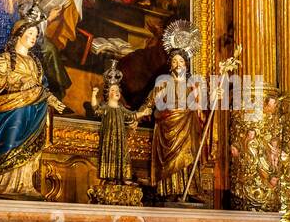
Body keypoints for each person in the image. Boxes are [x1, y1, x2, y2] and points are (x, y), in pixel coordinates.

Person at [0, 18, 66, 198]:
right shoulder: (7, 58)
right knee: (9, 143)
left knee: (29, 150)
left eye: (36, 34)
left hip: (35, 112)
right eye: (30, 33)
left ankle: (24, 184)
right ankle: (3, 183)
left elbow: (42, 88)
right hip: (13, 111)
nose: (34, 37)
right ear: (19, 35)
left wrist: (53, 101)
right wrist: (1, 73)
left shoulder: (36, 62)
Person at [148, 49, 214, 201]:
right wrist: (136, 116)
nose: (178, 64)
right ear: (170, 65)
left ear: (186, 65)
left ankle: (191, 190)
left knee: (189, 155)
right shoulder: (163, 83)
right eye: (174, 61)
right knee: (171, 160)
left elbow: (202, 105)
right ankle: (171, 190)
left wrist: (215, 96)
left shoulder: (193, 85)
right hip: (168, 125)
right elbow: (149, 103)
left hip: (189, 124)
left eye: (181, 61)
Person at [91, 64, 147, 184]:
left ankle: (124, 177)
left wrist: (143, 113)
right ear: (107, 93)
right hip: (108, 138)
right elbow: (96, 108)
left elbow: (131, 115)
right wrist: (94, 95)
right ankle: (110, 177)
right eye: (113, 90)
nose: (116, 92)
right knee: (110, 154)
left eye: (117, 90)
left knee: (122, 155)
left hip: (120, 139)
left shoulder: (121, 108)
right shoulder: (105, 108)